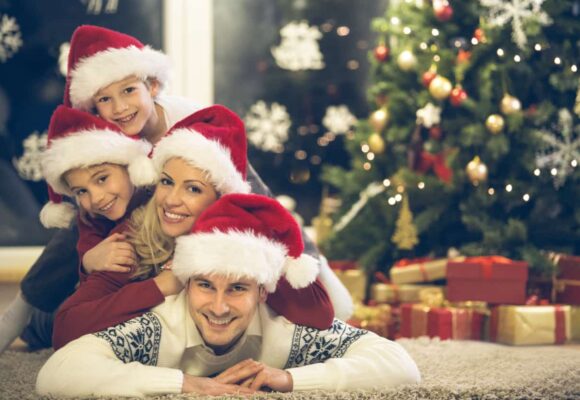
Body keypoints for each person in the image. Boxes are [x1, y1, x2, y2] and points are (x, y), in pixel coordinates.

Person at [0, 25, 352, 354]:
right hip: (136, 255)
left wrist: (310, 269)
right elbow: (84, 222)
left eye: (127, 91)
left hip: (183, 250)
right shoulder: (110, 158)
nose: (120, 108)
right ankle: (31, 320)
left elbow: (260, 201)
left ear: (152, 86)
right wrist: (86, 261)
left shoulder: (198, 131)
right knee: (77, 296)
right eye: (104, 100)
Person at [36, 193, 421, 397]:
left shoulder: (283, 328)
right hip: (55, 311)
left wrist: (286, 379)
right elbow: (56, 373)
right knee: (39, 329)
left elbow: (401, 366)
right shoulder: (157, 326)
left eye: (237, 288)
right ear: (186, 283)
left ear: (263, 292)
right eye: (205, 285)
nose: (219, 307)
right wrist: (184, 384)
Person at [52, 105, 334, 349]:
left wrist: (254, 250)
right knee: (39, 324)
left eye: (193, 189)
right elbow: (64, 329)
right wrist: (159, 286)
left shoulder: (248, 241)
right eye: (166, 181)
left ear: (222, 198)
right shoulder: (136, 234)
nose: (171, 200)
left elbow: (320, 317)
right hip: (52, 310)